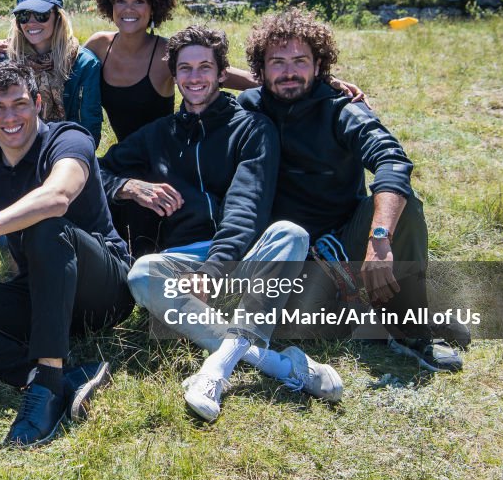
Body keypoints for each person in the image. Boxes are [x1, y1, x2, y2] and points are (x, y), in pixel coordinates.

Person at [103, 26, 341, 422]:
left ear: (220, 72)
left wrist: (216, 269)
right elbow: (94, 171)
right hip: (184, 260)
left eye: (204, 67)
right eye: (185, 69)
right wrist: (129, 186)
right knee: (143, 274)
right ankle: (278, 364)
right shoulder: (157, 135)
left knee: (291, 235)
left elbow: (247, 206)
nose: (194, 78)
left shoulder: (252, 127)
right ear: (174, 75)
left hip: (243, 260)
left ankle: (215, 369)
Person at [0, 61, 133, 447]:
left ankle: (47, 387)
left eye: (19, 104)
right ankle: (65, 376)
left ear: (37, 104)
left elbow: (58, 197)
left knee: (47, 225)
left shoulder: (70, 139)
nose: (10, 117)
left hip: (104, 290)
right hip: (43, 287)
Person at [238, 8, 462, 372]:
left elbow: (392, 160)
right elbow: (205, 85)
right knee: (307, 329)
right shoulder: (248, 108)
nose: (289, 72)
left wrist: (379, 238)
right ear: (260, 69)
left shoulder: (342, 109)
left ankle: (411, 327)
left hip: (346, 237)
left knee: (403, 209)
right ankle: (377, 309)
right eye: (277, 62)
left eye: (300, 61)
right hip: (291, 254)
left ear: (319, 64)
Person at [85, 0, 258, 144]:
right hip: (124, 158)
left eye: (139, 1)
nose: (128, 9)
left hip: (167, 159)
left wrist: (278, 82)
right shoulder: (98, 45)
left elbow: (230, 76)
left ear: (155, 6)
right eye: (120, 0)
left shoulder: (166, 52)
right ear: (109, 3)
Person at [0, 0, 103, 147]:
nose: (31, 22)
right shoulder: (8, 62)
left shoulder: (84, 64)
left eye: (41, 15)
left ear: (58, 17)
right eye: (23, 15)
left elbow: (89, 130)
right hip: (18, 151)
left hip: (69, 152)